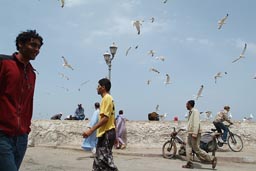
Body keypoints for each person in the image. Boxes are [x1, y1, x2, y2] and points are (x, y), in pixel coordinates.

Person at [0, 30, 43, 171]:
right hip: (2, 134)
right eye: (33, 45)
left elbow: (29, 103)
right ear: (20, 44)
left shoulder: (32, 74)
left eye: (39, 47)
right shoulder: (4, 64)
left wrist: (26, 129)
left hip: (21, 137)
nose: (37, 50)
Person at [83, 78, 118, 171]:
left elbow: (106, 118)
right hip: (107, 133)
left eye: (98, 86)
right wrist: (116, 135)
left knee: (106, 162)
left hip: (106, 133)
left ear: (103, 87)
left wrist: (90, 130)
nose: (96, 88)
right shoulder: (107, 99)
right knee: (98, 163)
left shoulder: (107, 98)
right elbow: (113, 118)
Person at [182, 100, 217, 169]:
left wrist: (195, 133)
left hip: (195, 133)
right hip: (190, 133)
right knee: (188, 148)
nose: (185, 106)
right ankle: (189, 163)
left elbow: (196, 123)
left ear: (189, 104)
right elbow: (190, 123)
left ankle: (212, 159)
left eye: (186, 104)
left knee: (197, 149)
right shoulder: (191, 112)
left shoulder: (195, 111)